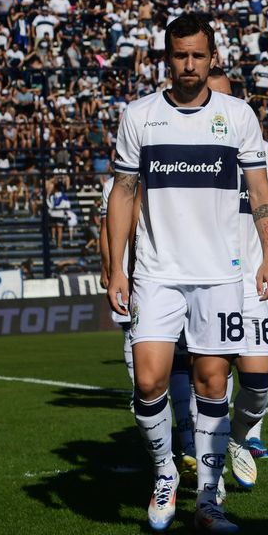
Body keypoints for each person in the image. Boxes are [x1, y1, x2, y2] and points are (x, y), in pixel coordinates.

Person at [105, 12, 268, 535]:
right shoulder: (139, 116)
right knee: (148, 379)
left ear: (212, 58)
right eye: (179, 56)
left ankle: (210, 495)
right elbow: (123, 193)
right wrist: (117, 265)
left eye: (197, 56)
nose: (188, 65)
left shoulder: (238, 115)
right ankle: (165, 474)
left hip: (220, 276)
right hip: (156, 273)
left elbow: (262, 192)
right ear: (167, 58)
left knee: (212, 381)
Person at [207, 72, 268, 486]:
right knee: (211, 379)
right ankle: (212, 480)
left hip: (253, 278)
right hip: (207, 277)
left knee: (258, 385)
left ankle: (238, 438)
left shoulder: (260, 148)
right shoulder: (190, 143)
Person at [99, 173, 198, 489]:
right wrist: (112, 268)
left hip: (177, 278)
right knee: (144, 378)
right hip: (136, 282)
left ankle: (190, 445)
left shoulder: (176, 170)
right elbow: (106, 228)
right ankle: (165, 458)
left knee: (186, 362)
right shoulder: (116, 186)